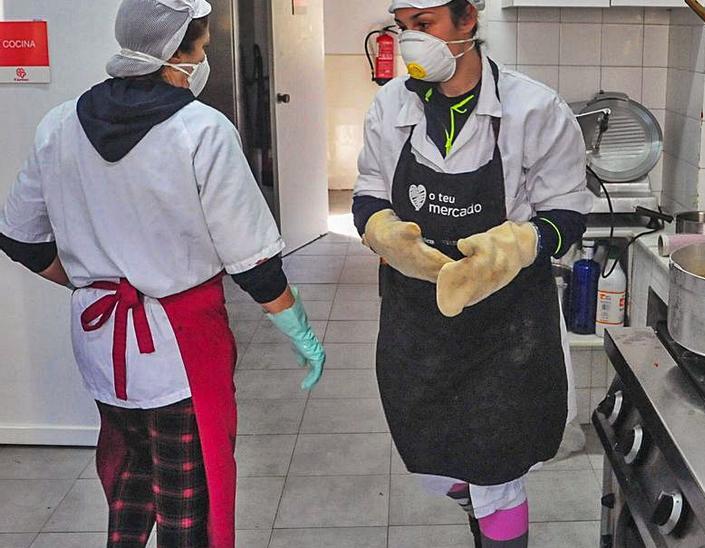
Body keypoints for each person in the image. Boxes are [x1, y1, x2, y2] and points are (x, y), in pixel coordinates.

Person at [0, 1, 326, 546]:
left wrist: (87, 284)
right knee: (185, 495)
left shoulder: (59, 123)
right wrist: (300, 331)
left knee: (128, 477)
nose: (203, 60)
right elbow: (255, 263)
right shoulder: (199, 128)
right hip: (178, 347)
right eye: (201, 48)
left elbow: (19, 238)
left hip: (100, 342)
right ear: (178, 53)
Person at [352, 0, 593, 545]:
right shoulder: (390, 105)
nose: (412, 41)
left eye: (425, 25)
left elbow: (567, 210)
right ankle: (473, 499)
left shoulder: (534, 108)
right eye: (403, 27)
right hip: (418, 311)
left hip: (506, 319)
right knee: (434, 453)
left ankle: (496, 520)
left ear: (468, 20)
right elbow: (368, 192)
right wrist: (384, 233)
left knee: (499, 466)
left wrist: (517, 244)